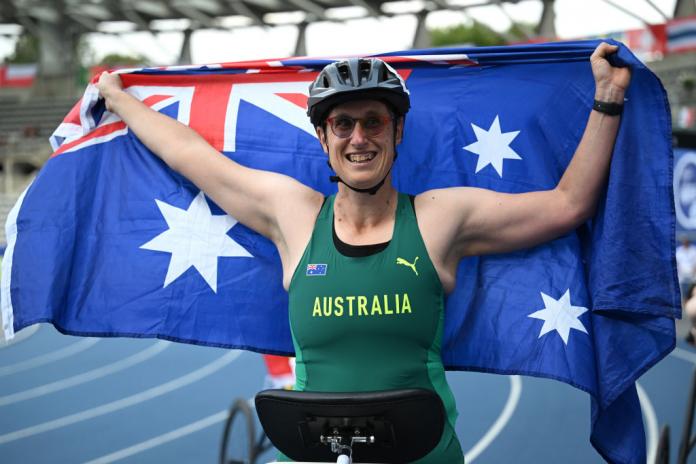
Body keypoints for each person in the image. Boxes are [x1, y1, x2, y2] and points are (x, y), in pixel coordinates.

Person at [97, 42, 630, 463]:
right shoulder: (294, 215)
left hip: (424, 456)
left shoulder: (440, 218)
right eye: (342, 124)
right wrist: (120, 99)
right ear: (324, 139)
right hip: (310, 456)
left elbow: (567, 204)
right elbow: (189, 154)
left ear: (397, 131)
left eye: (373, 121)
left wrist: (607, 98)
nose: (359, 138)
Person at [677, 236, 696, 302]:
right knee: (681, 289)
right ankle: (683, 302)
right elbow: (677, 263)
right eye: (684, 242)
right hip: (682, 274)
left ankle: (692, 300)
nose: (685, 243)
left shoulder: (694, 250)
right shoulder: (679, 251)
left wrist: (694, 271)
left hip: (692, 273)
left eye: (686, 242)